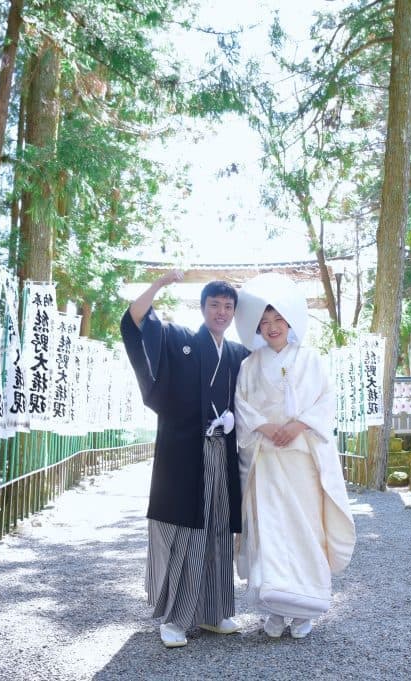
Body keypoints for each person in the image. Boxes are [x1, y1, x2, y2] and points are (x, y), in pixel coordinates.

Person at [120, 270, 250, 648]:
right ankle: (175, 618)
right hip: (184, 453)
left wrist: (234, 420)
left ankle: (214, 611)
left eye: (228, 307)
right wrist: (159, 285)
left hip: (221, 454)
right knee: (185, 533)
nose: (221, 312)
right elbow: (136, 320)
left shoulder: (239, 353)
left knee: (219, 530)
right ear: (203, 307)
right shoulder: (179, 340)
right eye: (215, 305)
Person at [232, 273, 356, 640]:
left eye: (278, 321)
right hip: (267, 460)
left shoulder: (311, 359)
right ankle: (274, 609)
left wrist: (299, 424)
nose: (271, 328)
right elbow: (242, 404)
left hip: (301, 459)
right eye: (265, 322)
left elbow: (325, 400)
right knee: (269, 533)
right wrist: (266, 427)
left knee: (305, 529)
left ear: (290, 323)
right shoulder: (249, 365)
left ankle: (306, 609)